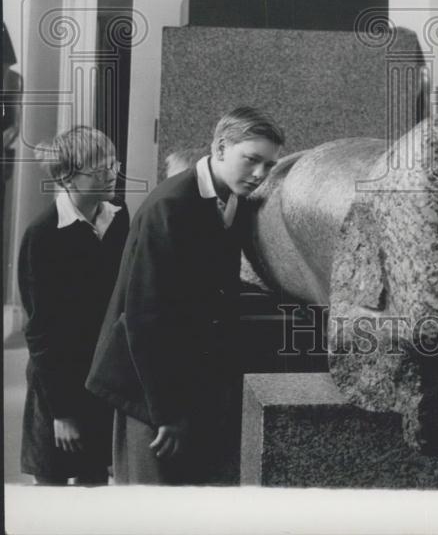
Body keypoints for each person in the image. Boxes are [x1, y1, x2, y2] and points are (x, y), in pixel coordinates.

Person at [86, 105, 284, 485]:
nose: (260, 174)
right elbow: (144, 319)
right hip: (149, 391)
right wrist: (166, 412)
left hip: (189, 383)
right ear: (221, 148)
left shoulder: (233, 199)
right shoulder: (170, 207)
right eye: (252, 160)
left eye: (270, 166)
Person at [18, 126, 129, 485]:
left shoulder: (117, 216)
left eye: (114, 164)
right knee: (51, 483)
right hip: (56, 381)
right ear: (67, 176)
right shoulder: (44, 234)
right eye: (100, 169)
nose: (113, 174)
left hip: (97, 374)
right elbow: (41, 331)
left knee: (93, 480)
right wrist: (61, 413)